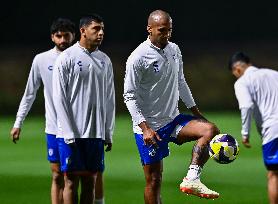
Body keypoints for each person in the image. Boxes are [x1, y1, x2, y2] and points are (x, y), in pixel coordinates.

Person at [123, 9, 220, 203]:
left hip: (173, 120)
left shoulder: (174, 49)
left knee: (210, 129)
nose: (167, 34)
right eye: (162, 30)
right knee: (154, 180)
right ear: (149, 29)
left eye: (170, 30)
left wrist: (196, 113)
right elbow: (129, 96)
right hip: (151, 129)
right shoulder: (138, 57)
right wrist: (145, 129)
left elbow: (181, 82)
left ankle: (191, 179)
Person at [10, 18, 75, 204]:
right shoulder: (41, 60)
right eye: (58, 36)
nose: (62, 39)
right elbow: (29, 93)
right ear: (52, 37)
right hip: (53, 128)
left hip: (77, 129)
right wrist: (18, 123)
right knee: (57, 175)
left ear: (74, 35)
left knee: (72, 176)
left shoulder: (79, 58)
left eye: (66, 35)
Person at [52, 13, 115, 204]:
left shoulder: (105, 60)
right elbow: (59, 97)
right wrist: (69, 132)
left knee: (91, 181)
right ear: (83, 31)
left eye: (102, 28)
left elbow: (110, 99)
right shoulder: (67, 58)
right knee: (70, 181)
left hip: (94, 134)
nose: (101, 33)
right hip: (70, 134)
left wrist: (108, 132)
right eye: (96, 28)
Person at [228, 52, 278, 204]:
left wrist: (245, 133)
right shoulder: (274, 74)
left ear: (237, 70)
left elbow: (246, 106)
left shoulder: (242, 82)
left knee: (274, 174)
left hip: (273, 131)